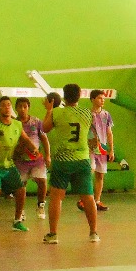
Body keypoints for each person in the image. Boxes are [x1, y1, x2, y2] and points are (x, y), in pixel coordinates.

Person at [42, 84, 100, 244]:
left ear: (64, 96)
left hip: (62, 161)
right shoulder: (87, 113)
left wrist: (49, 110)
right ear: (79, 95)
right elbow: (92, 135)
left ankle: (53, 234)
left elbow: (45, 128)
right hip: (82, 159)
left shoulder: (57, 112)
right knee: (88, 197)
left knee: (56, 197)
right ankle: (93, 233)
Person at [0, 96, 37, 232]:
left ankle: (17, 221)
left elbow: (25, 138)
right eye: (3, 105)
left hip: (8, 163)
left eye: (9, 105)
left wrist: (33, 148)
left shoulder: (17, 124)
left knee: (21, 190)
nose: (7, 107)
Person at [14, 97, 50, 219]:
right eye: (20, 106)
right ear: (16, 108)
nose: (22, 109)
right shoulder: (13, 123)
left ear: (28, 108)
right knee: (20, 186)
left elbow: (44, 139)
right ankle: (20, 210)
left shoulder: (36, 121)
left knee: (42, 181)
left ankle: (41, 205)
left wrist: (48, 156)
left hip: (36, 159)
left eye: (25, 106)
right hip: (20, 159)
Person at [80, 90, 114, 212]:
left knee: (100, 175)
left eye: (103, 98)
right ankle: (84, 200)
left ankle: (97, 201)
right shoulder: (87, 114)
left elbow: (109, 133)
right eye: (99, 98)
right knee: (89, 172)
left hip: (102, 148)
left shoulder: (106, 115)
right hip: (90, 148)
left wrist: (111, 150)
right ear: (92, 99)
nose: (102, 100)